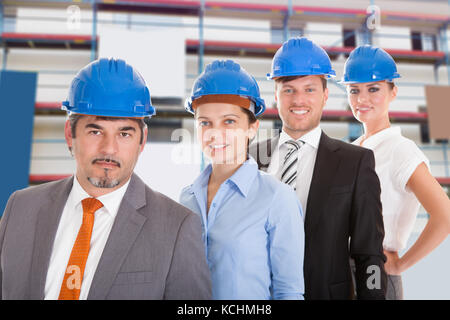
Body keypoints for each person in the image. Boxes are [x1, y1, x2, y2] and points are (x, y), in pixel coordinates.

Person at [0, 58, 211, 300]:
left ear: (141, 141)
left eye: (124, 133)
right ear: (70, 135)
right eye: (95, 131)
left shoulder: (176, 228)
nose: (109, 149)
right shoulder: (20, 208)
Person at [249, 37, 387, 300]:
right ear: (275, 96)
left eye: (310, 89)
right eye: (288, 89)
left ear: (325, 95)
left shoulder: (355, 163)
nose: (298, 100)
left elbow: (369, 254)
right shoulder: (249, 159)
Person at [179, 59, 305, 300]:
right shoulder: (186, 198)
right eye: (205, 123)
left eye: (229, 121)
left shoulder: (277, 198)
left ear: (252, 128)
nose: (215, 133)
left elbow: (288, 292)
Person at [341, 44, 450, 300]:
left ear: (393, 92)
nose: (362, 99)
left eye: (374, 89)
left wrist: (401, 264)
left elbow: (444, 215)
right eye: (354, 90)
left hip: (376, 273)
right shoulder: (353, 150)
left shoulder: (401, 151)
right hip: (344, 271)